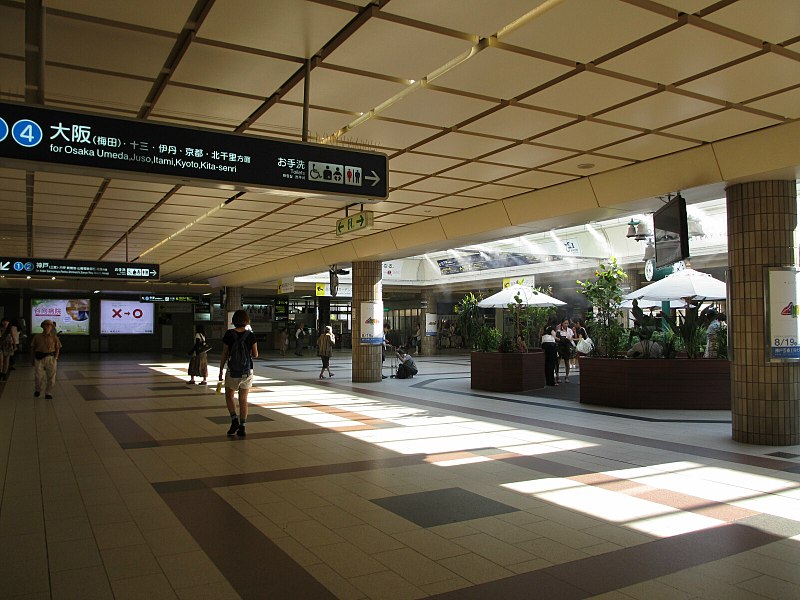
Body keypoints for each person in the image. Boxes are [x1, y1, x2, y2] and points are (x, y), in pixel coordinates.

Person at [219, 310, 258, 437]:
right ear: (246, 320)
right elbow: (256, 354)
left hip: (232, 371)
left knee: (229, 396)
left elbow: (225, 353)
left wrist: (220, 370)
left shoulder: (229, 334)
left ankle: (234, 420)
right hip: (247, 371)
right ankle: (242, 427)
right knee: (243, 399)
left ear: (234, 320)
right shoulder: (250, 335)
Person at [30, 319, 61, 399]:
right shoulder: (37, 336)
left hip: (50, 358)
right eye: (45, 325)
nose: (47, 327)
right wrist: (32, 358)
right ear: (42, 326)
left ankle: (48, 392)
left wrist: (56, 358)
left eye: (49, 325)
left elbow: (57, 348)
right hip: (39, 358)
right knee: (38, 376)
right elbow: (33, 348)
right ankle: (38, 389)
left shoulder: (55, 337)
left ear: (51, 327)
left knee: (51, 377)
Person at [556, 318, 575, 383]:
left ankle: (567, 376)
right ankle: (557, 376)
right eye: (565, 323)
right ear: (562, 323)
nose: (566, 324)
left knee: (567, 362)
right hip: (560, 347)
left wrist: (569, 339)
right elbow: (557, 338)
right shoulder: (558, 330)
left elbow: (571, 338)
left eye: (567, 323)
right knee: (557, 362)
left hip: (567, 347)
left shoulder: (569, 330)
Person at [541, 321, 559, 386]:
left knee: (547, 363)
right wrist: (558, 339)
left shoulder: (545, 328)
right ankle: (551, 381)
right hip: (551, 346)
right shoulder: (551, 328)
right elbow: (554, 335)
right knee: (551, 364)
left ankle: (547, 380)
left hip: (544, 345)